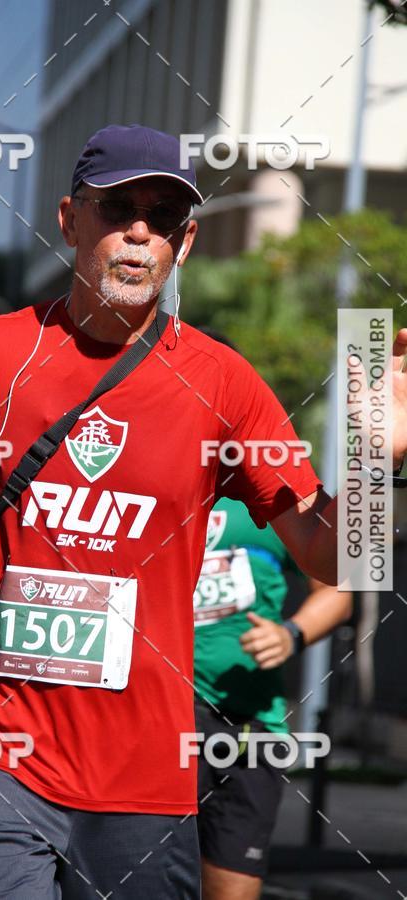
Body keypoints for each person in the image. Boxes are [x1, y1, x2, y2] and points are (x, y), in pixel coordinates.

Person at [0, 123, 405, 899]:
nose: (138, 231)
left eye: (162, 218)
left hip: (145, 775)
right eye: (118, 206)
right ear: (69, 220)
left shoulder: (223, 383)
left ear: (183, 245)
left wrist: (376, 462)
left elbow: (330, 559)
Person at [193, 331, 353, 900]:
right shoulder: (153, 483)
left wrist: (290, 634)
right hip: (157, 715)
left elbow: (339, 585)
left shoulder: (264, 483)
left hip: (249, 727)